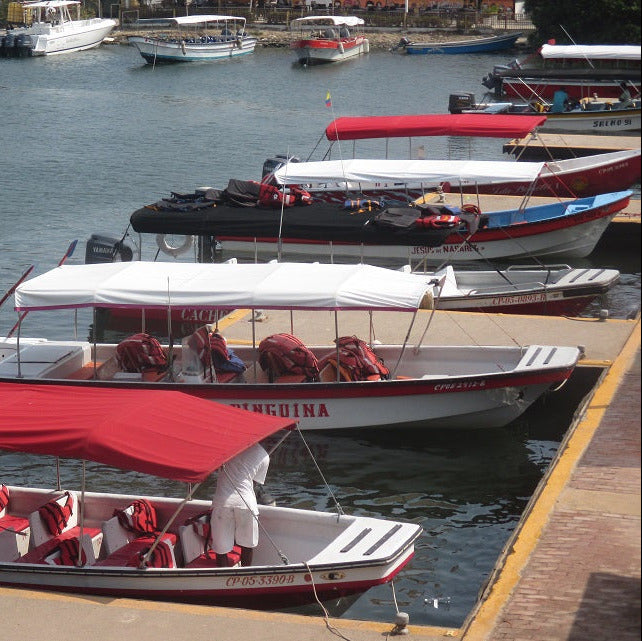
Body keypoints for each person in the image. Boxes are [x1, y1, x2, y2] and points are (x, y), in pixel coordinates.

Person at [210, 442, 270, 567]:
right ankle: (245, 579)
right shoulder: (264, 455)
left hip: (223, 502)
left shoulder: (226, 446)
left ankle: (223, 581)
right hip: (246, 503)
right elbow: (255, 481)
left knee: (221, 550)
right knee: (247, 546)